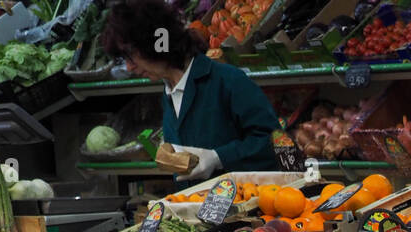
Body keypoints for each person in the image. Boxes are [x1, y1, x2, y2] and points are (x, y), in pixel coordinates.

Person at [102, 0, 279, 180]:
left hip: (242, 200)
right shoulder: (168, 93)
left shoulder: (227, 81)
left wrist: (218, 157)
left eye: (130, 54)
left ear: (156, 42)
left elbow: (275, 142)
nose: (129, 67)